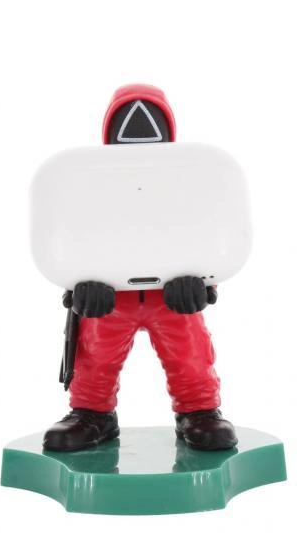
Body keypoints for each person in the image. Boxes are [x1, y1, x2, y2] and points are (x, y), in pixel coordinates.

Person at [43, 84, 238, 452]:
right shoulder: (90, 187)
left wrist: (204, 283)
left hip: (172, 295)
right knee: (95, 355)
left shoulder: (188, 185)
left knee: (189, 354)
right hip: (110, 296)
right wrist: (79, 285)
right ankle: (91, 413)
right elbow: (72, 233)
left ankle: (199, 411)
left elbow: (209, 232)